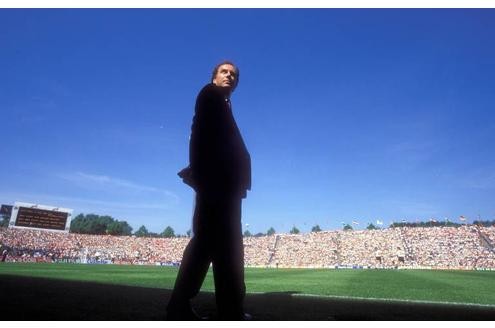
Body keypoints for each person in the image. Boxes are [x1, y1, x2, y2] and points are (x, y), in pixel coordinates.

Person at [167, 61, 251, 320]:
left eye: (234, 75)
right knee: (221, 248)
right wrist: (201, 176)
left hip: (223, 188)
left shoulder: (222, 104)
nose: (230, 76)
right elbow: (198, 136)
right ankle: (224, 310)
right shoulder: (210, 95)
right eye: (224, 72)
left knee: (216, 248)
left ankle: (220, 308)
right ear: (214, 77)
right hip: (218, 188)